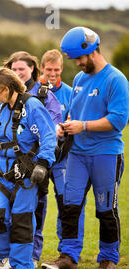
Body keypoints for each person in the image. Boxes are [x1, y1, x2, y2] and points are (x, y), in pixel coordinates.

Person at [42, 27, 129, 269]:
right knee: (70, 205)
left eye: (79, 58)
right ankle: (68, 256)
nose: (77, 64)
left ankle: (108, 258)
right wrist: (67, 126)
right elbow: (75, 114)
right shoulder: (79, 81)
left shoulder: (116, 80)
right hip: (77, 154)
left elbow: (118, 120)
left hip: (106, 153)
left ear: (91, 50)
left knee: (105, 208)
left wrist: (84, 126)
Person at [0, 67, 57, 269]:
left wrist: (43, 163)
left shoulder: (32, 106)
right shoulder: (3, 110)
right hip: (1, 173)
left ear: (9, 87)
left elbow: (48, 135)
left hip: (26, 175)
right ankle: (10, 259)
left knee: (22, 220)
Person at [4, 51, 62, 267]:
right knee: (4, 208)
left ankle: (33, 254)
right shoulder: (3, 93)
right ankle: (5, 255)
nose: (18, 73)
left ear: (32, 70)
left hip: (37, 162)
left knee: (34, 208)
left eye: (22, 69)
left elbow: (53, 126)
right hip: (8, 163)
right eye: (14, 69)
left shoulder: (44, 95)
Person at [39, 49, 85, 258]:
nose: (52, 73)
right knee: (35, 204)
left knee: (66, 203)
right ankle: (31, 250)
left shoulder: (70, 92)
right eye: (49, 69)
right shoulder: (33, 92)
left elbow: (75, 119)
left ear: (62, 68)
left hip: (62, 158)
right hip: (37, 158)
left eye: (56, 69)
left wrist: (63, 126)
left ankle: (66, 251)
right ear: (41, 68)